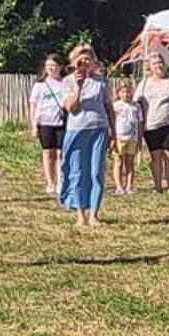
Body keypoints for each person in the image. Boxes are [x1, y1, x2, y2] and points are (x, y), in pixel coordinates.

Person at [58, 49, 115, 227]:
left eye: (88, 59)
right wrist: (79, 87)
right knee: (78, 172)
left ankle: (94, 214)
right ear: (74, 63)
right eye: (80, 60)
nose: (85, 63)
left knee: (96, 172)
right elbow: (71, 108)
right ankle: (81, 214)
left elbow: (109, 107)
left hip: (99, 128)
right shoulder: (67, 82)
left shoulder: (101, 81)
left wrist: (114, 131)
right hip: (77, 130)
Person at [138, 54, 169, 193]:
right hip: (150, 123)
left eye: (160, 62)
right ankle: (157, 186)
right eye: (154, 64)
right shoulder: (145, 83)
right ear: (150, 67)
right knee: (155, 156)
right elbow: (136, 102)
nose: (158, 66)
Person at [29, 54, 68, 196]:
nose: (51, 68)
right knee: (48, 152)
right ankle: (50, 182)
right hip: (45, 122)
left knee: (61, 153)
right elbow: (33, 105)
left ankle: (61, 181)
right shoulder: (40, 85)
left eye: (54, 65)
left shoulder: (65, 83)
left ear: (61, 67)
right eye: (48, 65)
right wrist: (34, 125)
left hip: (62, 122)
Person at [110, 78, 145, 195]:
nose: (126, 94)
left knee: (130, 162)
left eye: (128, 92)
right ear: (118, 93)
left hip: (132, 138)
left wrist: (140, 139)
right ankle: (119, 186)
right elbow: (111, 122)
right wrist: (112, 137)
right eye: (123, 92)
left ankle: (129, 185)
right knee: (118, 161)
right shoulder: (115, 106)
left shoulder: (136, 107)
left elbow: (140, 123)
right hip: (119, 137)